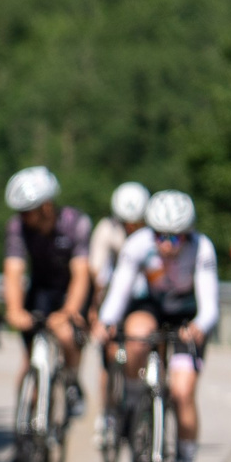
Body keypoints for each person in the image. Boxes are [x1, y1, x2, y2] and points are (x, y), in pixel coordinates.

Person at [98, 189, 218, 462]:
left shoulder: (202, 248)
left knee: (182, 392)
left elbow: (209, 307)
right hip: (152, 306)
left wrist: (197, 328)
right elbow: (119, 290)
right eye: (160, 236)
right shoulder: (138, 246)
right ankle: (136, 404)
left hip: (186, 316)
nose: (166, 245)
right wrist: (107, 322)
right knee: (136, 336)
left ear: (187, 235)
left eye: (175, 239)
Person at [0, 166, 93, 410]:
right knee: (30, 353)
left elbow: (81, 273)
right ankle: (27, 415)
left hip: (70, 289)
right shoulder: (17, 227)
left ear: (46, 207)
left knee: (65, 335)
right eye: (19, 212)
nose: (22, 217)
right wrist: (14, 309)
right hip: (42, 288)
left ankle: (72, 381)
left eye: (27, 212)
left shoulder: (76, 223)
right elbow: (13, 270)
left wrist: (69, 311)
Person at [90, 181, 149, 446]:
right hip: (114, 298)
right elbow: (97, 273)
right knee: (109, 353)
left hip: (143, 299)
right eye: (127, 223)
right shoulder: (106, 231)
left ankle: (143, 400)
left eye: (137, 223)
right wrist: (95, 311)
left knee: (145, 344)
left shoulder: (152, 235)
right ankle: (107, 412)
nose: (132, 228)